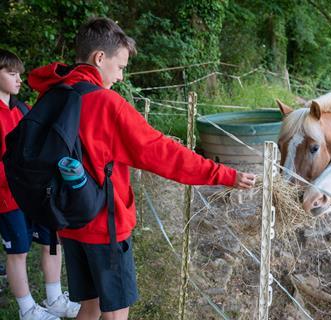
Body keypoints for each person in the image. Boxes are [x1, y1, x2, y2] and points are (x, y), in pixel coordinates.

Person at [28, 17, 256, 320]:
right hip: (103, 227)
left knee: (90, 306)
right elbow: (162, 153)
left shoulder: (52, 93)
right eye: (120, 67)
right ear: (99, 58)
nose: (121, 77)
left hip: (68, 220)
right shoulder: (107, 104)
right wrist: (223, 174)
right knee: (115, 313)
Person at [0, 49, 80, 320]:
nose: (18, 79)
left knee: (52, 241)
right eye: (11, 74)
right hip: (8, 196)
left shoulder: (22, 108)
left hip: (35, 192)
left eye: (20, 74)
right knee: (18, 250)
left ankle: (54, 298)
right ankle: (27, 309)